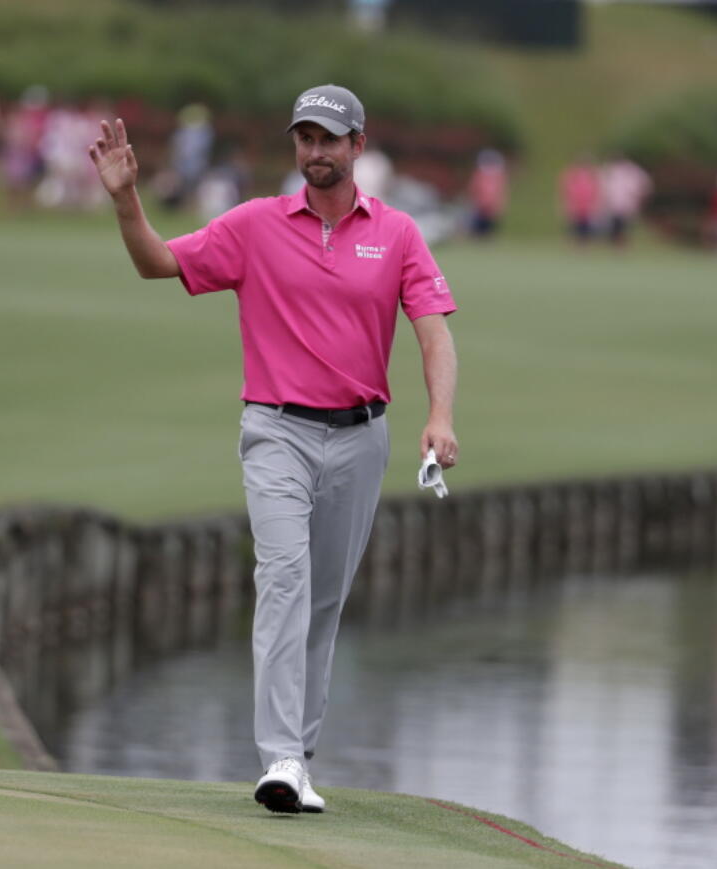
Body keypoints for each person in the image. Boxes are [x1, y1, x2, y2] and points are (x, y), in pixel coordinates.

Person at [88, 84, 459, 815]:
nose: (315, 152)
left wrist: (441, 414)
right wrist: (127, 201)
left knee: (322, 606)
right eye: (305, 139)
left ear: (357, 146)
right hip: (276, 430)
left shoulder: (399, 233)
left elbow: (434, 329)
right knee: (283, 580)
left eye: (329, 139)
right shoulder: (256, 224)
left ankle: (300, 756)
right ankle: (281, 757)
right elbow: (157, 263)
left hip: (362, 438)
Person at [598, 154, 652, 246]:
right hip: (614, 204)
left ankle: (621, 243)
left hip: (627, 204)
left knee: (624, 225)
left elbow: (644, 184)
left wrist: (639, 196)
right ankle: (617, 243)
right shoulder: (609, 170)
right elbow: (603, 185)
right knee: (615, 224)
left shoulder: (632, 171)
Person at [466, 148, 507, 239]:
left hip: (490, 204)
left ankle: (485, 238)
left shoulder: (497, 176)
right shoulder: (481, 174)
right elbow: (475, 188)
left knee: (488, 225)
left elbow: (498, 192)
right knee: (479, 224)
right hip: (481, 204)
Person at [559, 155, 600, 244]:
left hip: (587, 205)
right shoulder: (573, 174)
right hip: (576, 204)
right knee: (575, 225)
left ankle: (583, 243)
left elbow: (595, 190)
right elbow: (566, 190)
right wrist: (567, 203)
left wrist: (595, 203)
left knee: (586, 225)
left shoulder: (591, 174)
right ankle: (575, 243)